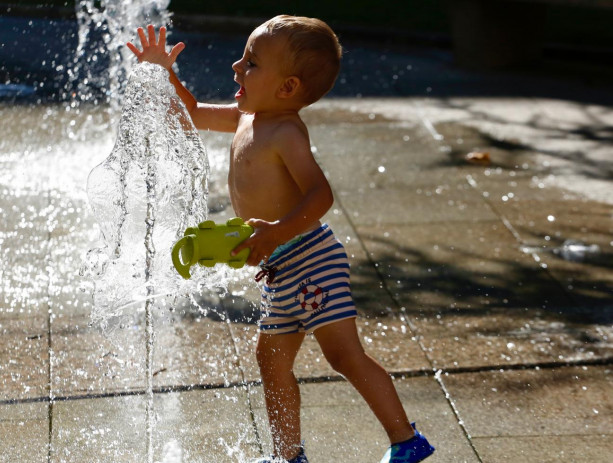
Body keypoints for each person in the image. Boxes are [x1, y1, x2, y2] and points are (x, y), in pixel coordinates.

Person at [127, 16, 435, 463]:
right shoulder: (246, 118)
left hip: (311, 258)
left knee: (344, 356)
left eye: (250, 63)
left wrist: (276, 232)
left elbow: (320, 194)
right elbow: (189, 115)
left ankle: (405, 439)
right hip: (279, 268)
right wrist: (163, 72)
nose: (236, 66)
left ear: (287, 88)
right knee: (271, 364)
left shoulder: (286, 133)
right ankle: (289, 456)